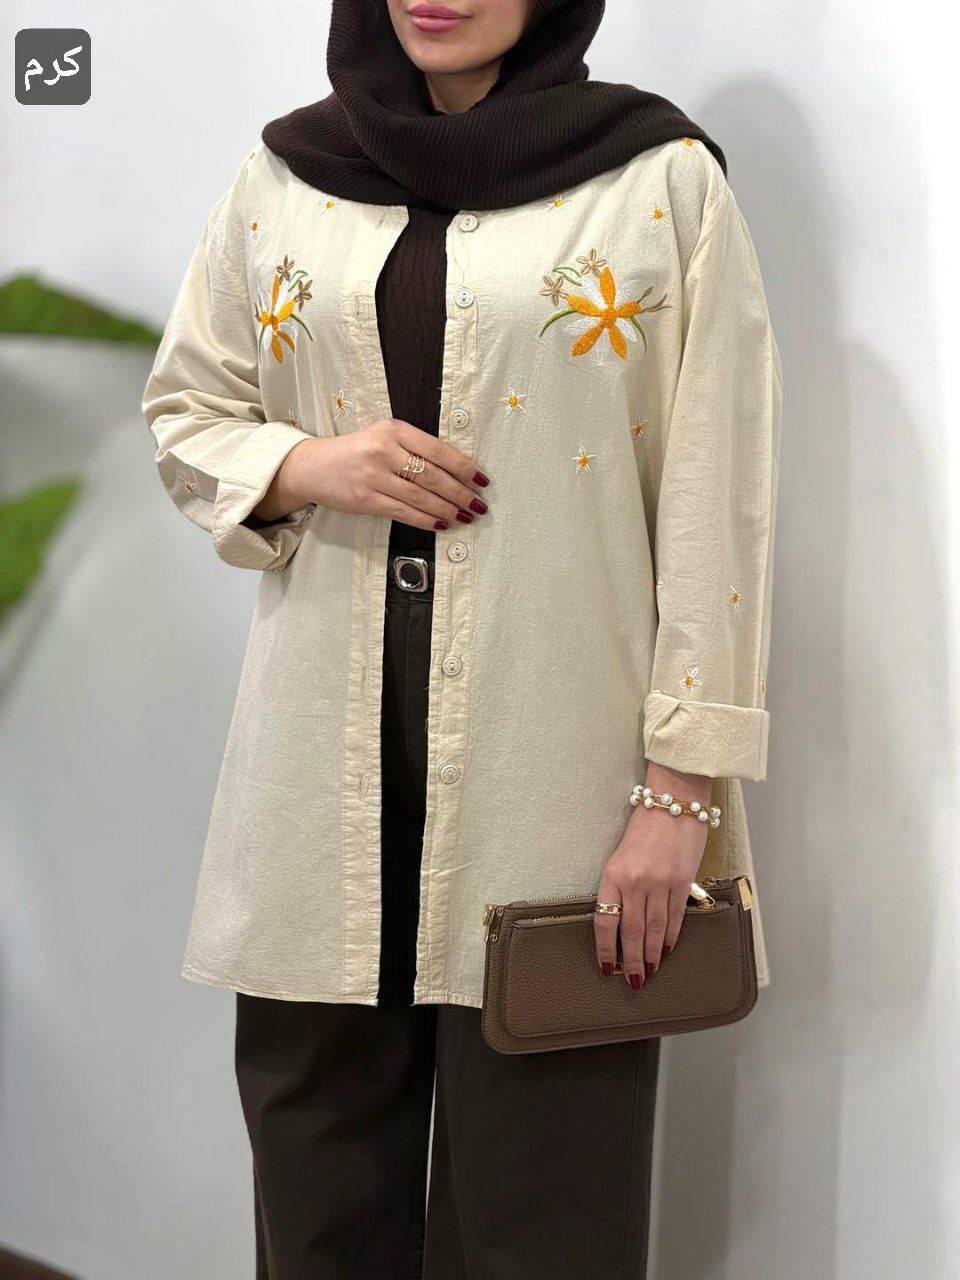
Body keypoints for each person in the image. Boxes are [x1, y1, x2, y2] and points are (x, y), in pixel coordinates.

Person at [142, 0, 782, 1275]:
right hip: (323, 795)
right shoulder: (286, 175)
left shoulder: (658, 182)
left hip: (557, 795)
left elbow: (720, 497)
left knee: (544, 1226)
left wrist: (682, 790)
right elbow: (187, 406)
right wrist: (308, 463)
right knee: (318, 1221)